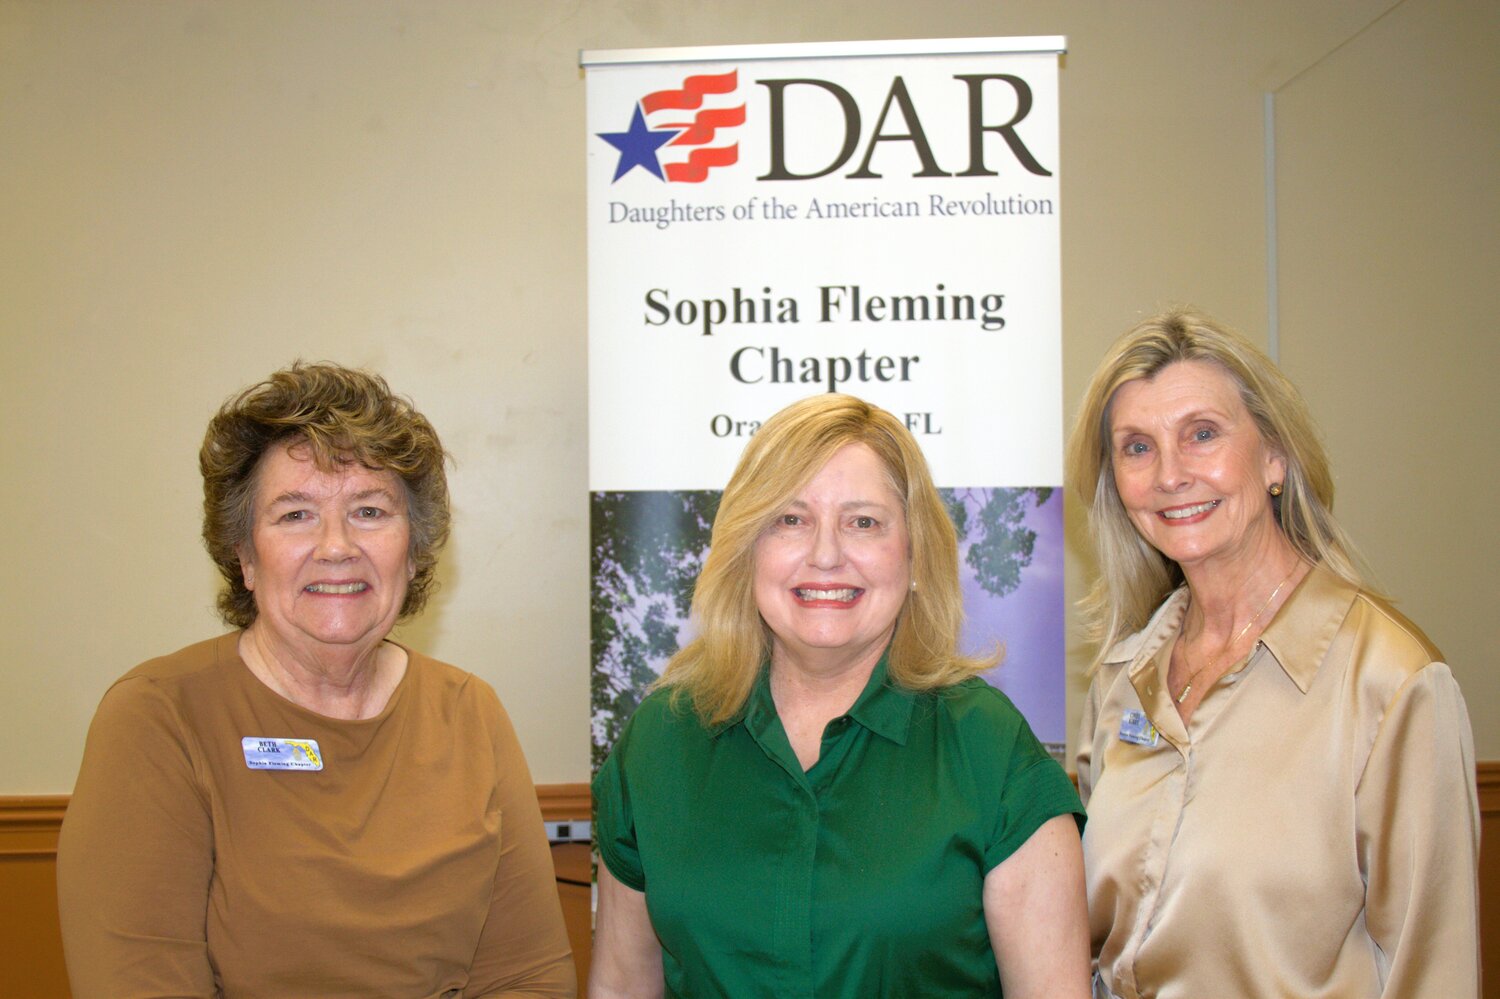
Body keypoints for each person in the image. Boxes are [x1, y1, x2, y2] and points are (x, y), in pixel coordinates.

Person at [57, 363, 576, 999]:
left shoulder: (470, 711)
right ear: (245, 556)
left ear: (413, 553)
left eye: (368, 511)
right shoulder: (160, 717)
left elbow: (528, 976)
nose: (336, 546)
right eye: (296, 514)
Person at [590, 393, 1089, 999]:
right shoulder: (661, 741)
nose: (825, 555)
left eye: (863, 522)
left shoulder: (989, 749)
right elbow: (621, 984)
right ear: (747, 550)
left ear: (912, 555)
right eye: (790, 519)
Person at [1067, 310, 1479, 999]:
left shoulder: (1391, 682)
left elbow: (1433, 972)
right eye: (1136, 447)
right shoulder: (1122, 679)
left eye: (1202, 434)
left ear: (1275, 456)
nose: (1170, 473)